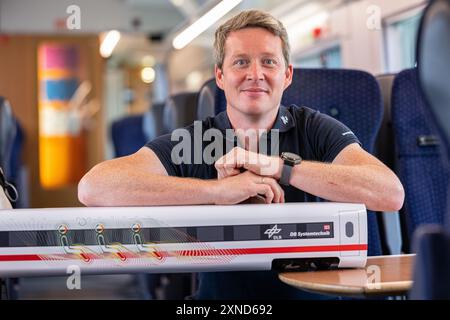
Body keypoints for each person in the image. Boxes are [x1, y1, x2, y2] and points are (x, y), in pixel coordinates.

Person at [78, 10, 405, 299]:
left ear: (287, 75)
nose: (255, 74)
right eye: (240, 62)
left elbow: (389, 193)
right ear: (220, 76)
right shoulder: (197, 140)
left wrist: (280, 167)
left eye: (268, 61)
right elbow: (94, 187)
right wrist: (217, 192)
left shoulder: (315, 129)